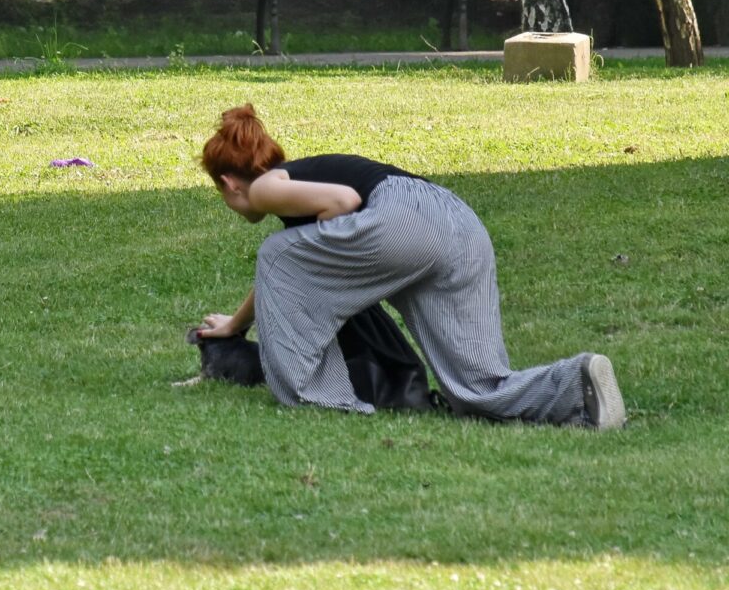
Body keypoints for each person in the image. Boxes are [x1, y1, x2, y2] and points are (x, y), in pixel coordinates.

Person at [195, 103, 626, 429]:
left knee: (275, 253)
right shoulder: (295, 186)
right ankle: (579, 385)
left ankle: (320, 399)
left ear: (229, 183)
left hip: (401, 218)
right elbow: (288, 278)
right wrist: (235, 324)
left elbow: (342, 203)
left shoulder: (266, 188)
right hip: (459, 224)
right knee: (474, 389)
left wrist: (334, 251)